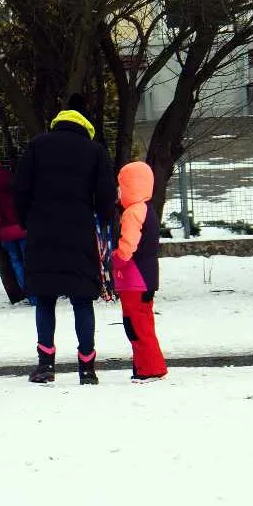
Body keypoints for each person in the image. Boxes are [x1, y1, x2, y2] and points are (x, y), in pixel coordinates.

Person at [14, 94, 116, 384]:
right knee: (83, 300)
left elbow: (20, 189)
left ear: (59, 120)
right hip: (79, 233)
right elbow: (106, 197)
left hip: (42, 233)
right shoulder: (95, 151)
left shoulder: (37, 146)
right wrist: (102, 219)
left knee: (45, 299)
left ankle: (45, 365)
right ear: (85, 123)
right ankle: (87, 368)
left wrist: (28, 221)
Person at [112, 162, 168, 382]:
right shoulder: (147, 209)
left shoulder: (132, 213)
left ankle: (151, 368)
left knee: (137, 326)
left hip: (135, 279)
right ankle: (145, 366)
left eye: (120, 184)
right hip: (146, 277)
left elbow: (127, 248)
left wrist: (114, 259)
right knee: (142, 324)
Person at [0, 155, 34, 306]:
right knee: (29, 261)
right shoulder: (12, 177)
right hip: (24, 228)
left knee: (16, 261)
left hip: (6, 233)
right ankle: (38, 293)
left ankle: (30, 294)